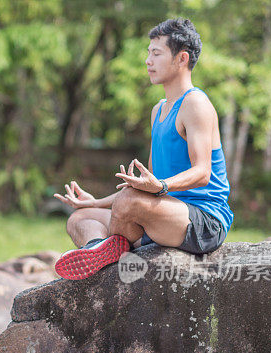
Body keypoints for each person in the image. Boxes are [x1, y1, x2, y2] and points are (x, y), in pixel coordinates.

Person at [53, 18, 233, 281]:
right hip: (163, 214)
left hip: (203, 221)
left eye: (156, 53)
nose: (148, 61)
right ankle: (98, 250)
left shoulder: (196, 103)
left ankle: (112, 251)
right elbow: (144, 188)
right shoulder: (158, 111)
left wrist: (160, 186)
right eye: (148, 53)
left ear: (182, 59)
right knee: (80, 219)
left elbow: (202, 173)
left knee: (128, 201)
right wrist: (95, 202)